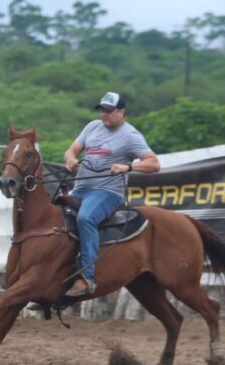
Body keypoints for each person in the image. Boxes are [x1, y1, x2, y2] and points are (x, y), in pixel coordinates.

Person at [63, 91, 160, 297]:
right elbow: (71, 150)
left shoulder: (131, 136)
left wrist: (127, 167)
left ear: (121, 112)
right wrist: (71, 159)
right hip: (80, 188)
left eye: (108, 110)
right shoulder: (92, 127)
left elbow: (154, 163)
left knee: (86, 218)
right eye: (102, 110)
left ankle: (86, 278)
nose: (104, 114)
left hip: (107, 192)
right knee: (54, 217)